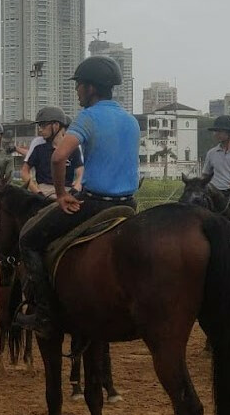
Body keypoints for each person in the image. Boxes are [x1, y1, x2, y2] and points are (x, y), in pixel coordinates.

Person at [13, 56, 140, 338]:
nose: (77, 91)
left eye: (80, 85)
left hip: (95, 204)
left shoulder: (88, 117)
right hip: (130, 205)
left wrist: (60, 195)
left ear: (92, 88)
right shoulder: (130, 120)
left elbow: (59, 157)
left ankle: (44, 314)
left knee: (28, 239)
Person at [22, 108, 85, 198]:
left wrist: (76, 188)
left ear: (56, 125)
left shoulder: (73, 149)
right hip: (44, 191)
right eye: (39, 126)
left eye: (43, 126)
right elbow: (24, 172)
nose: (40, 129)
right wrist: (37, 192)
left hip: (67, 191)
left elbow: (81, 172)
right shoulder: (38, 149)